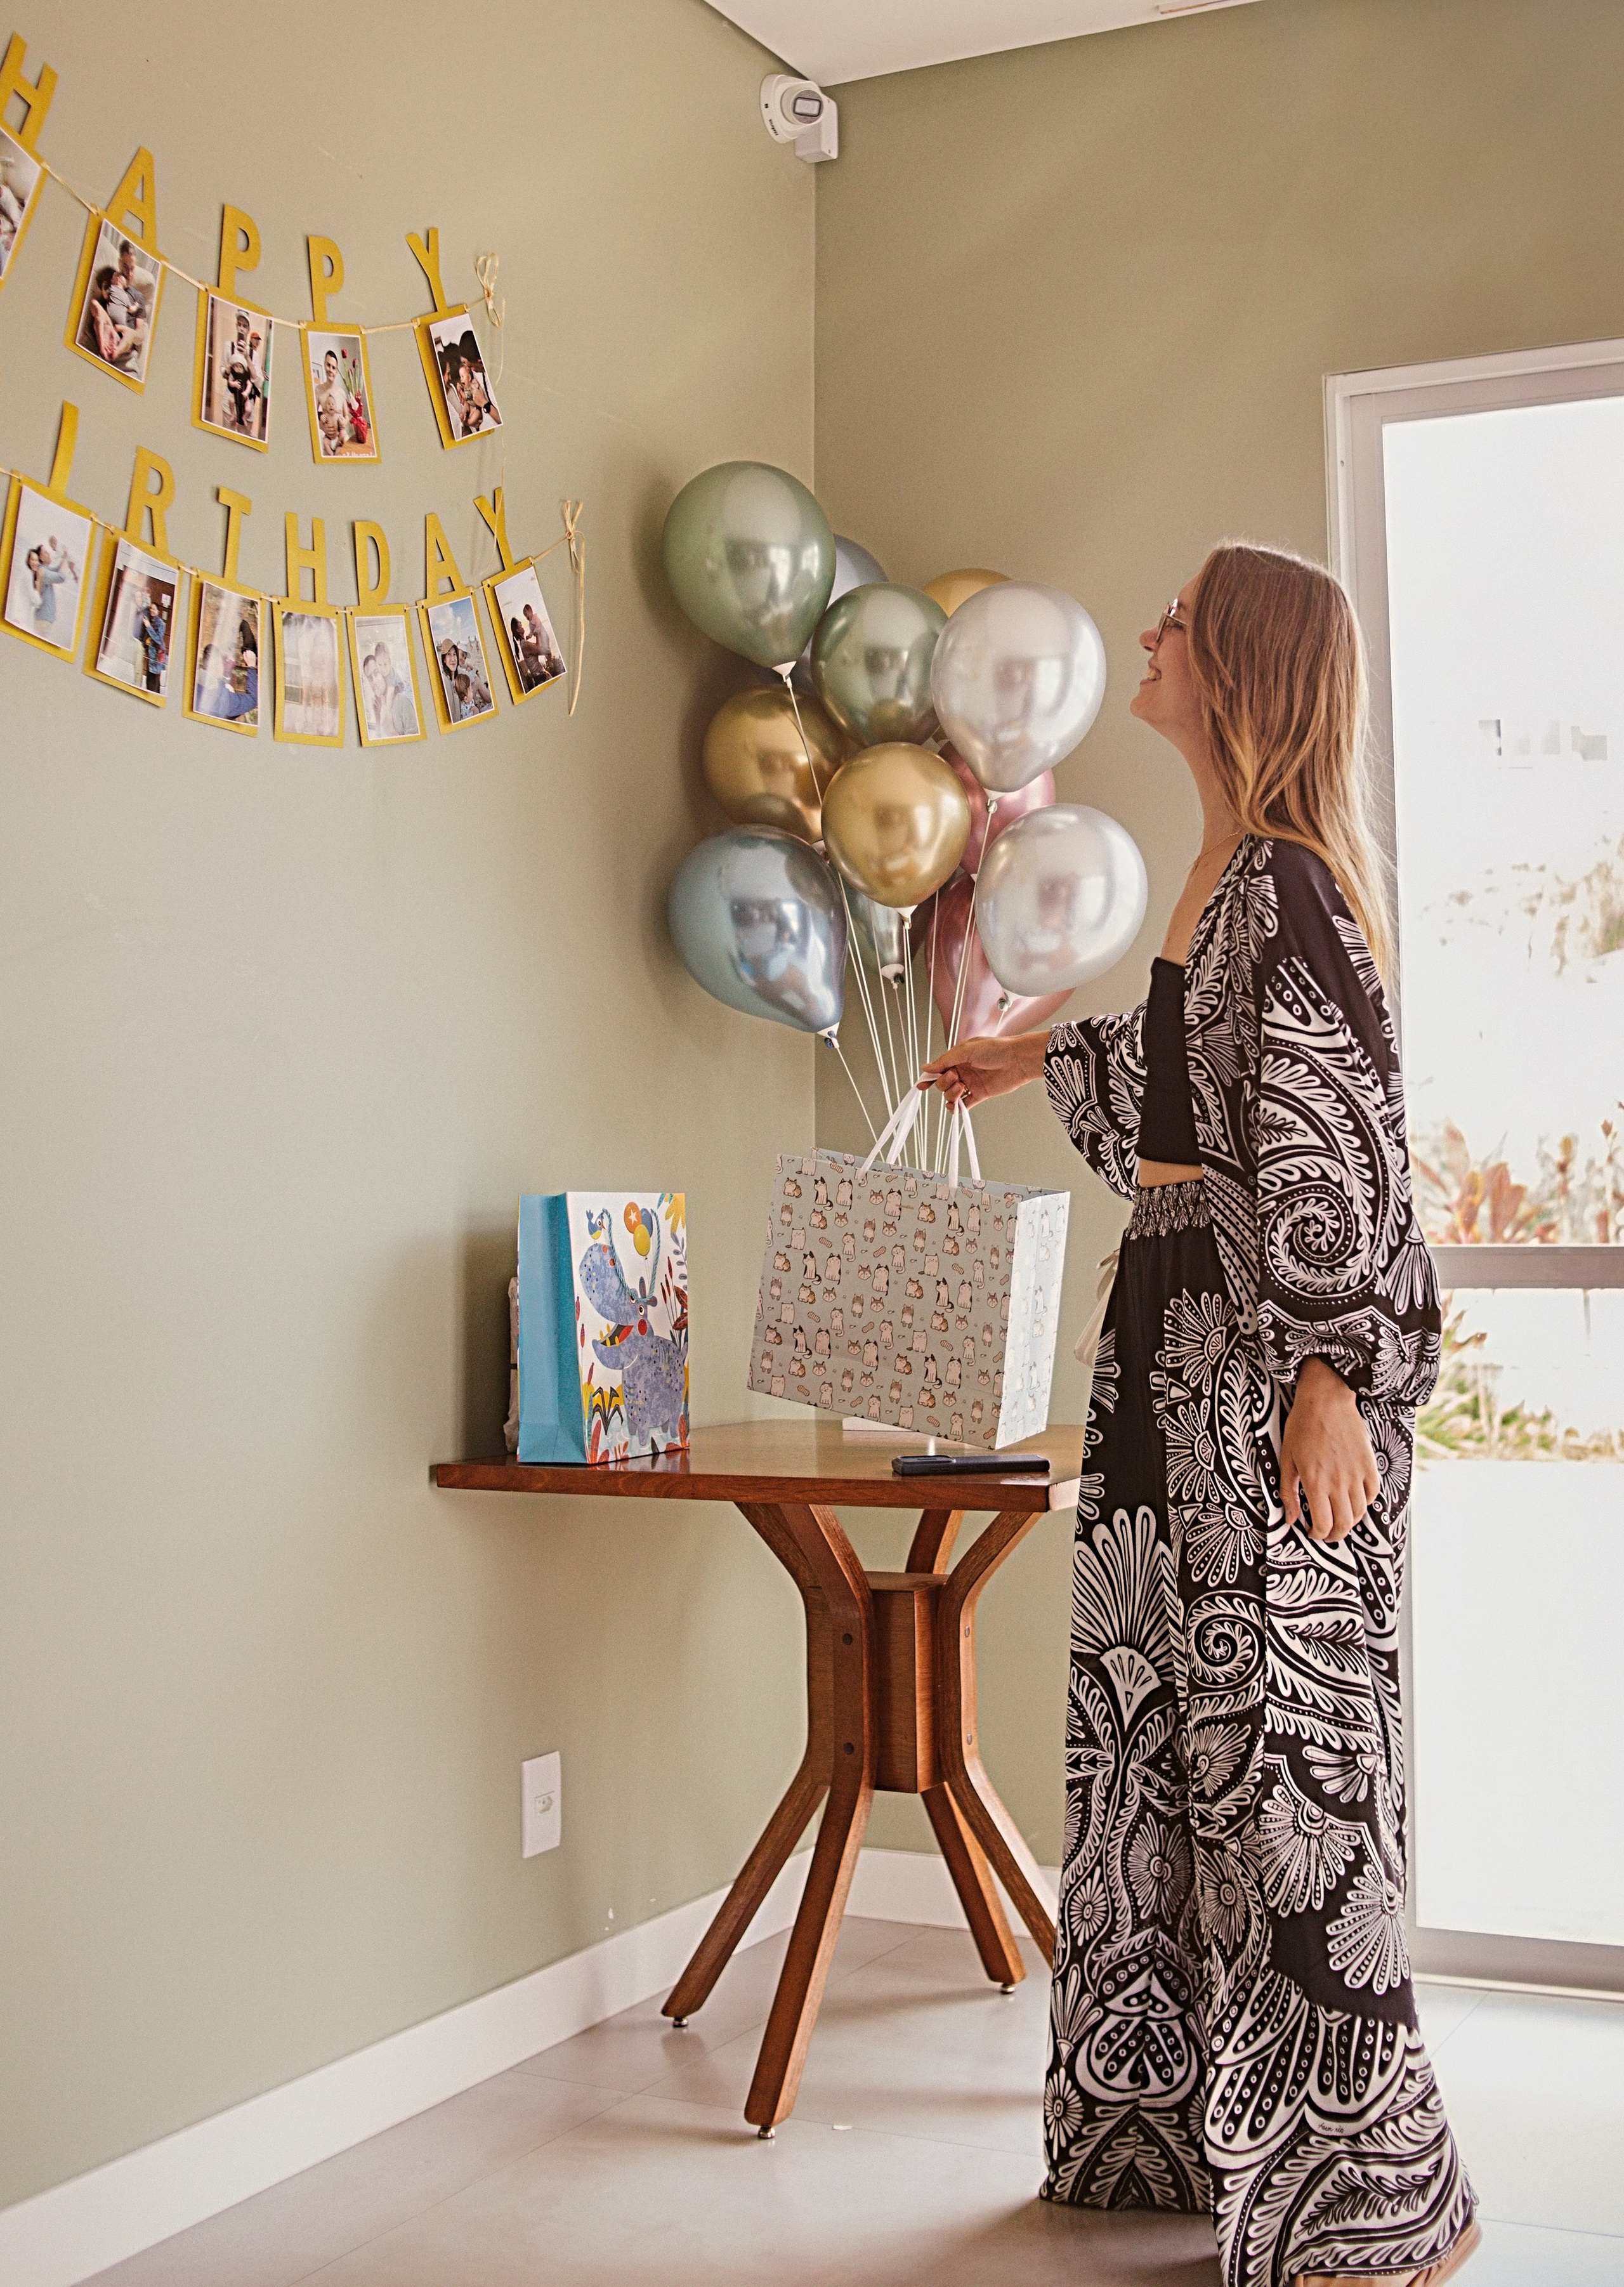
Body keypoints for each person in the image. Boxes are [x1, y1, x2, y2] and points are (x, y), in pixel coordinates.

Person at [920, 543, 1478, 2287]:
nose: (1146, 630)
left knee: (1284, 1763)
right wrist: (1040, 1059)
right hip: (1171, 1359)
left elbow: (1335, 1141)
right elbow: (1199, 1116)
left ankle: (1376, 2194)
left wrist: (1332, 1379)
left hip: (1252, 1378)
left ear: (1233, 664)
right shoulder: (1223, 875)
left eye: (1176, 613)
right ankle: (1165, 2133)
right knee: (1158, 1739)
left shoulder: (1288, 886)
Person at [134, 587, 168, 694]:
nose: (152, 611)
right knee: (153, 682)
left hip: (156, 658)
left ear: (158, 611)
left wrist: (149, 626)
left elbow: (158, 639)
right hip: (152, 656)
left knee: (152, 683)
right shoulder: (153, 620)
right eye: (151, 609)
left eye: (154, 609)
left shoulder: (159, 622)